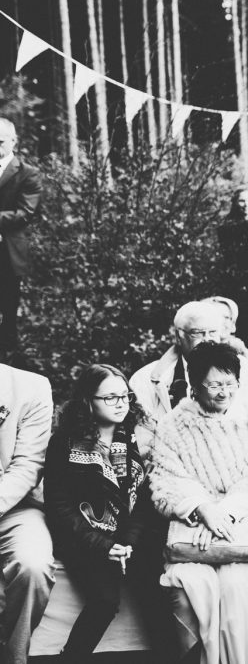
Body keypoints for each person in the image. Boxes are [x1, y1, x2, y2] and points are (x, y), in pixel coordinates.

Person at [148, 341, 248, 664]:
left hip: (241, 522)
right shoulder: (173, 423)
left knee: (235, 589)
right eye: (214, 385)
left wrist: (225, 513)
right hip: (193, 525)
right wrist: (203, 509)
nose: (223, 392)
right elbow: (165, 478)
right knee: (194, 582)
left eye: (229, 383)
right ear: (194, 385)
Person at [44, 365, 172, 661]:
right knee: (104, 599)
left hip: (129, 537)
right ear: (88, 401)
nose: (121, 403)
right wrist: (104, 546)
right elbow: (59, 507)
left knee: (155, 590)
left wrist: (127, 542)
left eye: (125, 396)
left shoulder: (135, 439)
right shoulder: (64, 442)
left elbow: (141, 504)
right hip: (83, 539)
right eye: (110, 397)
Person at [130, 301, 248, 443]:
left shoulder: (245, 370)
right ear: (179, 336)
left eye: (213, 332)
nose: (207, 339)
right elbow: (142, 437)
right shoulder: (146, 378)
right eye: (197, 333)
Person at [0, 359, 54, 664]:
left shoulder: (31, 387)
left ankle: (13, 656)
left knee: (33, 565)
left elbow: (27, 466)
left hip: (15, 507)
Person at [0, 118, 43, 354]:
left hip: (7, 254)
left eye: (0, 142)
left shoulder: (27, 174)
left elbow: (25, 213)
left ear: (14, 142)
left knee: (7, 311)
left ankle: (7, 362)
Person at [216, 189, 248, 304]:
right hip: (238, 281)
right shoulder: (228, 227)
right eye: (242, 201)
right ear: (235, 203)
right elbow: (230, 258)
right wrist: (241, 282)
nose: (246, 205)